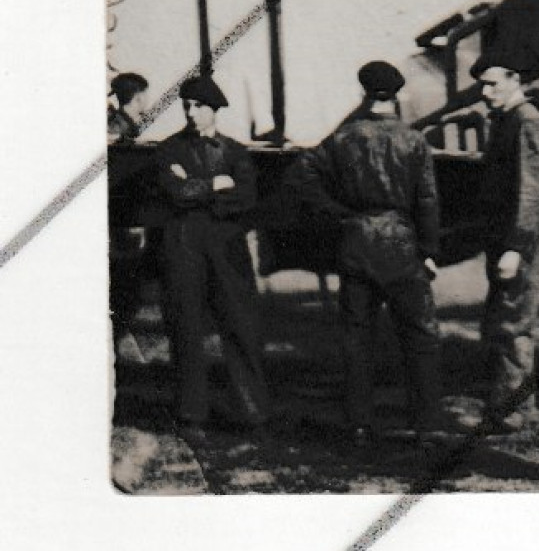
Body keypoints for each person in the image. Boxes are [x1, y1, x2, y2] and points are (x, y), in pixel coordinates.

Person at [296, 61, 445, 446]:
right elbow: (427, 200)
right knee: (420, 337)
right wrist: (429, 250)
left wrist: (340, 214)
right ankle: (426, 425)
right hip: (401, 245)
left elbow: (302, 175)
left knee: (357, 338)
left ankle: (359, 424)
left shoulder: (343, 138)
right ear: (396, 96)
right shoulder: (413, 141)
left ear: (363, 93)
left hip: (357, 243)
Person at [152, 74, 269, 439]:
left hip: (227, 250)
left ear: (214, 110)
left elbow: (246, 197)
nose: (191, 112)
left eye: (198, 106)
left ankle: (253, 416)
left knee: (240, 328)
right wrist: (216, 185)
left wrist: (195, 188)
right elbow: (175, 192)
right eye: (186, 105)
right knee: (186, 329)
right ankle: (191, 416)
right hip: (184, 248)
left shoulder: (235, 152)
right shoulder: (169, 150)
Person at [471, 43, 539, 432]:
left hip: (519, 242)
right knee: (503, 321)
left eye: (492, 84)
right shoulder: (508, 120)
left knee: (513, 324)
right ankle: (507, 403)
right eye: (482, 86)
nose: (485, 93)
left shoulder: (525, 122)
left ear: (514, 80)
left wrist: (515, 248)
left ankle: (512, 410)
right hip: (507, 240)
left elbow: (532, 192)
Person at [108, 72, 154, 357]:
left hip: (123, 222)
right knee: (126, 290)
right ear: (137, 97)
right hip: (123, 223)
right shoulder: (120, 130)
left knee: (127, 290)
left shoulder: (121, 125)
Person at [107, 71, 150, 144]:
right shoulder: (121, 127)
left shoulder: (118, 120)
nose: (147, 97)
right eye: (145, 93)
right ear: (139, 97)